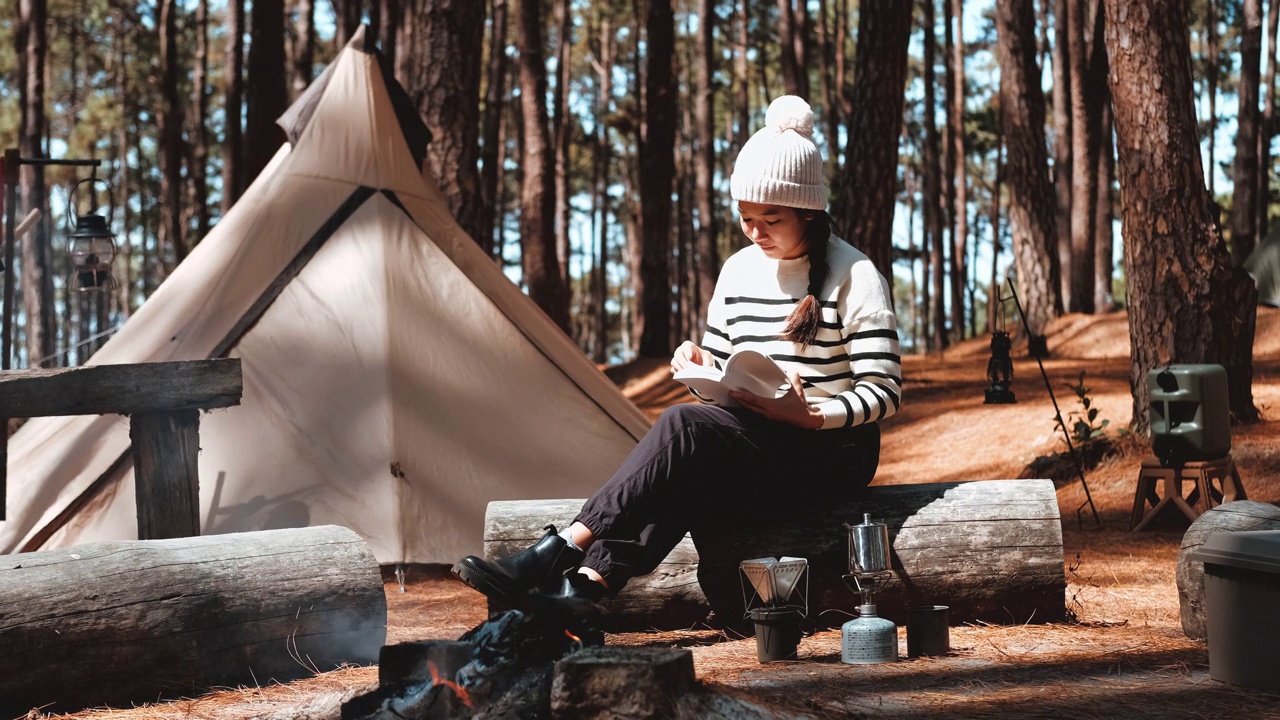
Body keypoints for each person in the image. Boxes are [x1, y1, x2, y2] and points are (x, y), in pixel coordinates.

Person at [452, 95, 902, 605]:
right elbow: (722, 375)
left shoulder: (855, 275)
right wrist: (698, 369)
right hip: (761, 441)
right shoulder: (737, 271)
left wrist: (810, 416)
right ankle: (585, 590)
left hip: (833, 453)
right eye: (745, 218)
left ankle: (559, 549)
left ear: (808, 211)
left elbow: (884, 392)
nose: (755, 233)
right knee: (688, 464)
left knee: (680, 428)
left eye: (770, 219)